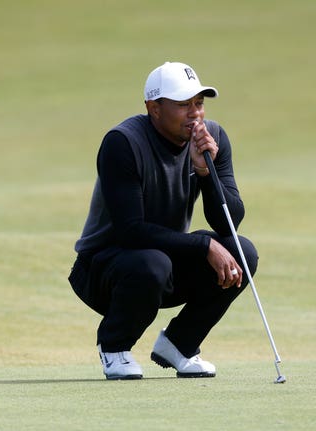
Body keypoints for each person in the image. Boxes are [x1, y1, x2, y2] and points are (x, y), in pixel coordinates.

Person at [68, 61, 258, 380]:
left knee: (241, 252)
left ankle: (179, 345)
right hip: (104, 271)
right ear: (153, 108)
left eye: (199, 103)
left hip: (161, 264)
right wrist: (203, 245)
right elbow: (131, 232)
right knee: (152, 263)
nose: (195, 113)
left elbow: (229, 222)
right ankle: (114, 346)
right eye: (183, 105)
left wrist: (205, 171)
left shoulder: (212, 138)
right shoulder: (122, 142)